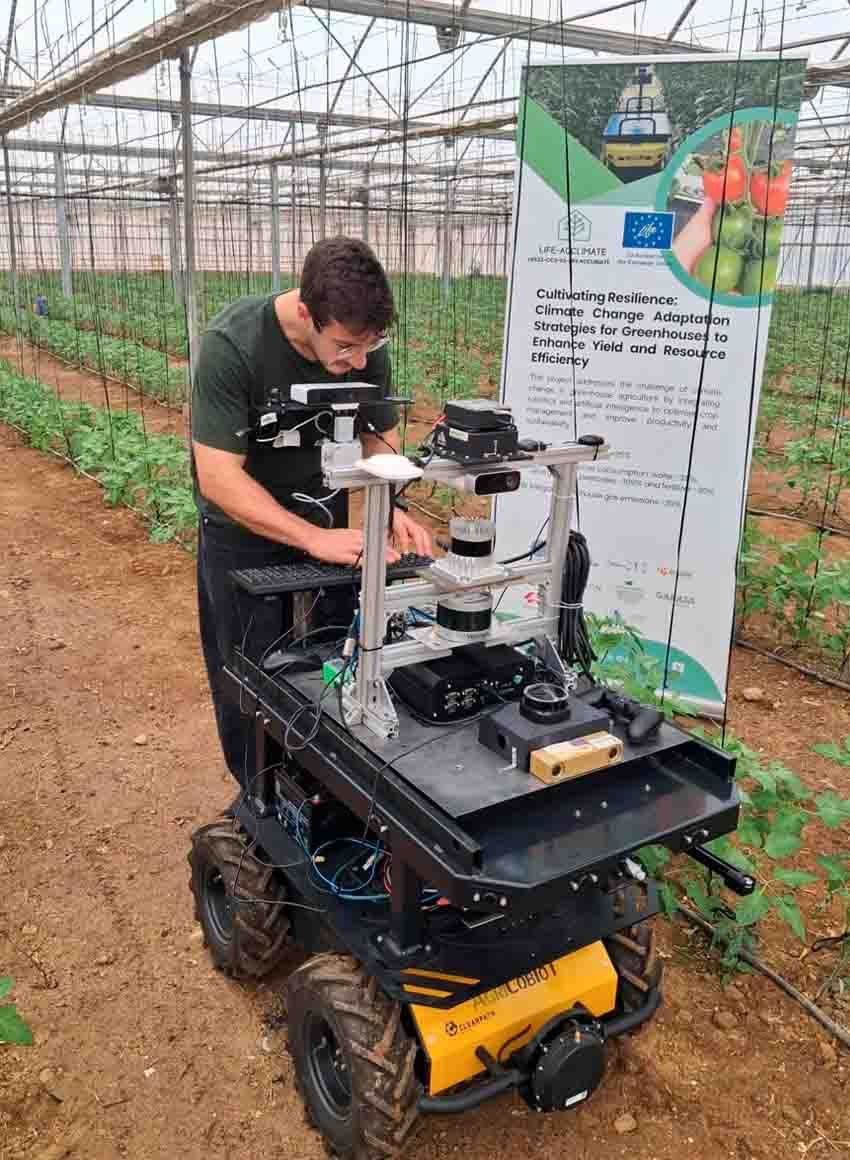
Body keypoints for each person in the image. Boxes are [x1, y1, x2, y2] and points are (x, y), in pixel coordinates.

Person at [192, 236, 432, 787]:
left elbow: (379, 439)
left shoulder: (364, 347)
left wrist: (387, 502)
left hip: (330, 525)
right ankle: (260, 800)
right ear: (306, 312)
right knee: (250, 671)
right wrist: (309, 538)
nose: (360, 361)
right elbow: (219, 478)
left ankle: (326, 792)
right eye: (346, 346)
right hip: (245, 530)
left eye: (371, 345)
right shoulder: (235, 344)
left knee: (338, 655)